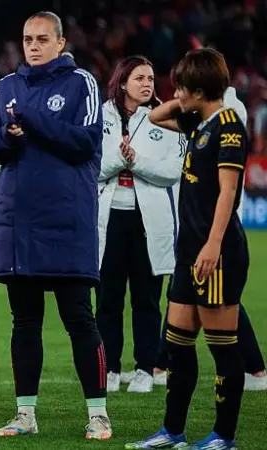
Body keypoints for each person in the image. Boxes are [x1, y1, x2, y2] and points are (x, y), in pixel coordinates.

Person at [0, 11, 112, 440]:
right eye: (27, 39)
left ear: (60, 42)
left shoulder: (81, 84)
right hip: (19, 223)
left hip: (66, 221)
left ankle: (98, 413)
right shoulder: (8, 87)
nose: (31, 46)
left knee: (79, 319)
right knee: (24, 321)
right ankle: (25, 413)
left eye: (40, 39)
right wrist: (8, 138)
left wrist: (30, 119)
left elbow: (84, 143)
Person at [127, 49, 249, 450]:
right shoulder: (199, 122)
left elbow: (228, 193)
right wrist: (190, 97)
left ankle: (223, 436)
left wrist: (213, 246)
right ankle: (172, 431)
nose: (172, 91)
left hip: (216, 252)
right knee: (178, 346)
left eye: (180, 85)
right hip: (188, 252)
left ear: (199, 89)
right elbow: (153, 115)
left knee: (222, 349)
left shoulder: (228, 126)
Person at [96, 55, 184, 394]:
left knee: (146, 300)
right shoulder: (99, 117)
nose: (148, 84)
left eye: (150, 78)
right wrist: (120, 159)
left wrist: (137, 161)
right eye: (140, 78)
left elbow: (172, 170)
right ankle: (111, 368)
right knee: (107, 300)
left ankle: (146, 368)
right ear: (121, 83)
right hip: (108, 219)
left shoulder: (166, 119)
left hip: (148, 222)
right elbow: (91, 166)